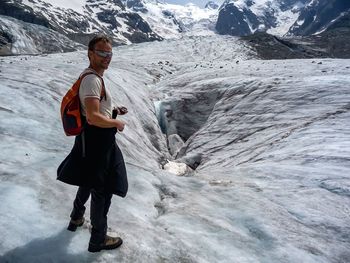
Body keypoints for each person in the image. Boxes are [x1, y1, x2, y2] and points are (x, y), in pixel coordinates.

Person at [57, 35, 128, 253]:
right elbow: (94, 117)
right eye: (102, 52)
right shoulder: (92, 80)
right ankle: (98, 239)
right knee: (102, 187)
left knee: (89, 178)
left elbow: (94, 111)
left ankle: (76, 218)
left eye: (109, 53)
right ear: (90, 53)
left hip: (92, 138)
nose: (107, 57)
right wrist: (117, 122)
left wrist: (114, 111)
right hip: (99, 139)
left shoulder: (93, 77)